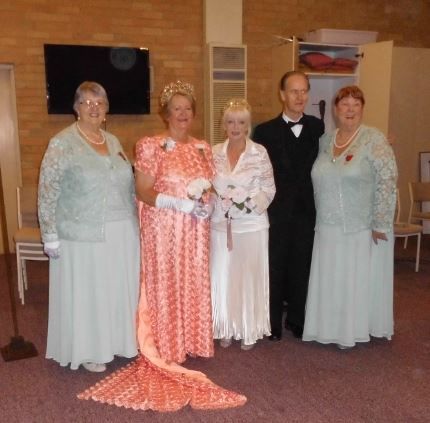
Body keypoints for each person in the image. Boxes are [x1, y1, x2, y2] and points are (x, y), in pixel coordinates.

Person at [78, 81, 246, 411]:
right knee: (166, 283)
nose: (183, 114)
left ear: (194, 114)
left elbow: (209, 188)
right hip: (163, 228)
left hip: (195, 230)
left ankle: (190, 340)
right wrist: (176, 203)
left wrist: (204, 205)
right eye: (176, 109)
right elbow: (143, 190)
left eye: (188, 109)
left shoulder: (202, 148)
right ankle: (165, 342)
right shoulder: (151, 145)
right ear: (165, 114)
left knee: (192, 282)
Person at [38, 81, 140, 372]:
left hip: (122, 231)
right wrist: (50, 235)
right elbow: (48, 189)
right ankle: (90, 350)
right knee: (92, 292)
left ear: (107, 109)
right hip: (83, 234)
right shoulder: (62, 143)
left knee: (117, 289)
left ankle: (120, 341)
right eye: (87, 102)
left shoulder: (115, 141)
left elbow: (128, 185)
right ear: (76, 108)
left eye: (100, 103)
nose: (94, 108)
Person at [302, 85, 397, 349]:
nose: (350, 110)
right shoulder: (325, 141)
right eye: (345, 104)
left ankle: (350, 331)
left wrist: (381, 221)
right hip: (326, 225)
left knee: (352, 280)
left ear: (363, 109)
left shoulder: (374, 139)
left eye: (356, 105)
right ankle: (328, 327)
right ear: (335, 109)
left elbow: (388, 179)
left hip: (359, 226)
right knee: (332, 279)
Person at [253, 71, 324, 340]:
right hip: (276, 211)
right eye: (293, 91)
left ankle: (298, 319)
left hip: (307, 210)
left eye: (304, 91)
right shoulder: (264, 131)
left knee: (302, 265)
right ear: (282, 95)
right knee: (274, 266)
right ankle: (271, 324)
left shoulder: (318, 128)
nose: (300, 97)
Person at [210, 98, 275, 351]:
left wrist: (244, 205)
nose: (235, 127)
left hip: (251, 226)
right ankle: (226, 326)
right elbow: (208, 186)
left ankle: (249, 327)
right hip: (220, 226)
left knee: (248, 278)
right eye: (230, 122)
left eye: (241, 122)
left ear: (248, 125)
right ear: (223, 125)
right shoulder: (213, 152)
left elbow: (269, 190)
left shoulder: (259, 152)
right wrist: (216, 202)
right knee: (223, 276)